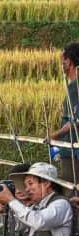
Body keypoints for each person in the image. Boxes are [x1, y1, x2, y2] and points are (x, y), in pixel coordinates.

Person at [51, 42, 79, 184]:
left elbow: (75, 121)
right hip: (71, 147)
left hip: (73, 149)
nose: (61, 63)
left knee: (70, 188)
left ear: (70, 62)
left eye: (64, 59)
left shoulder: (75, 86)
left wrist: (53, 136)